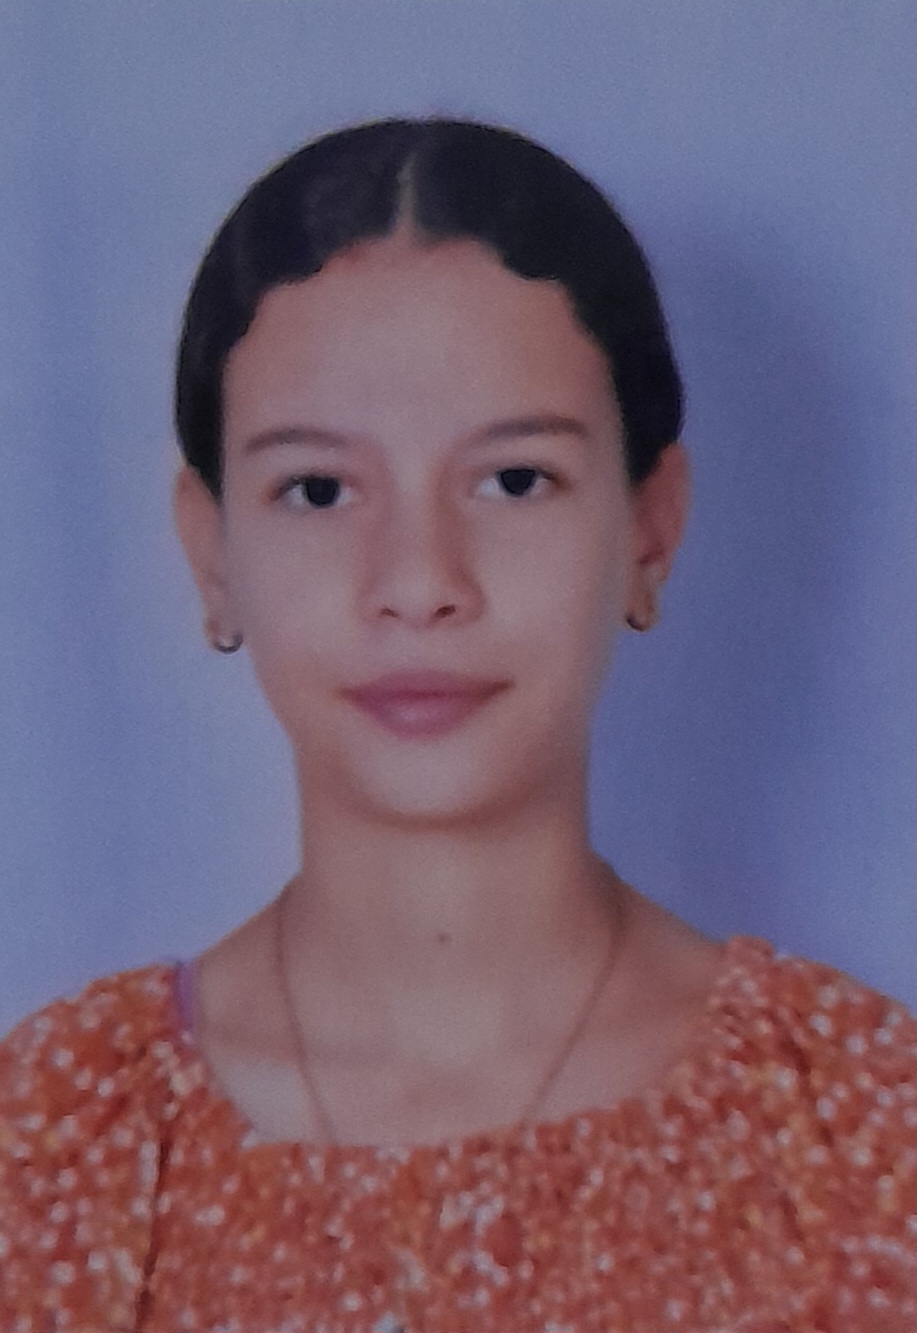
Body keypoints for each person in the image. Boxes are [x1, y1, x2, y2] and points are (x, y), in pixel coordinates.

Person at [0, 116, 913, 1333]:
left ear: (649, 527)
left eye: (513, 479)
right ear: (211, 551)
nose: (419, 581)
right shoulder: (53, 1147)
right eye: (317, 489)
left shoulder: (857, 1134)